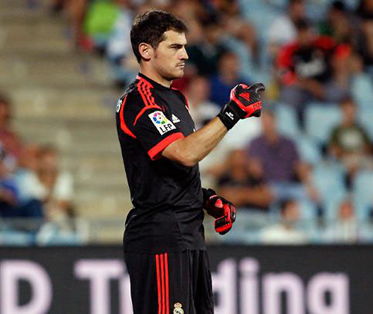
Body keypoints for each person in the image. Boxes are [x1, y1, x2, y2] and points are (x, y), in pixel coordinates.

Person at [116, 10, 264, 314]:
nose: (184, 54)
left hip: (189, 234)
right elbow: (183, 152)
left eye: (184, 46)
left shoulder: (177, 99)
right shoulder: (140, 100)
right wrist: (231, 113)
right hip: (161, 236)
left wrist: (204, 198)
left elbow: (176, 165)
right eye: (174, 47)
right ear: (146, 51)